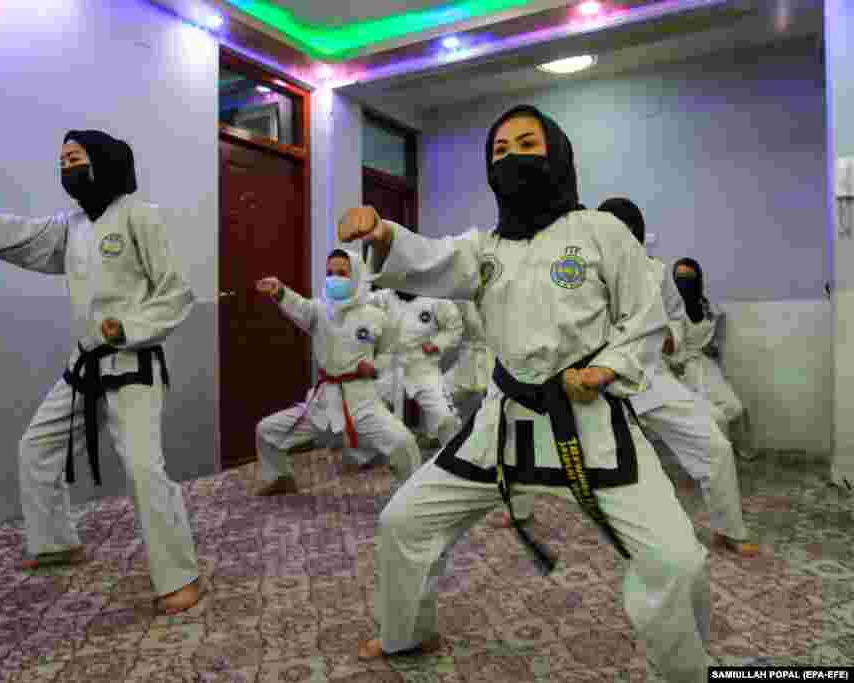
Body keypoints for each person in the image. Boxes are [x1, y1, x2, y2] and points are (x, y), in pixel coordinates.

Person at [338, 105, 712, 682]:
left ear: (556, 153)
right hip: (502, 424)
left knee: (677, 561)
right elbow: (428, 259)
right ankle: (405, 631)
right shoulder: (485, 249)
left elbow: (643, 319)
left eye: (526, 144)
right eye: (500, 151)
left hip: (589, 421)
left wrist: (606, 370)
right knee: (403, 522)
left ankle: (683, 673)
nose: (512, 157)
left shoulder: (601, 233)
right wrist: (383, 233)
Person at [0, 129, 202, 615]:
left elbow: (176, 294)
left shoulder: (141, 216)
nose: (66, 168)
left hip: (132, 364)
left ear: (105, 161)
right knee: (37, 446)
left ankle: (180, 575)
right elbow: (23, 237)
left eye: (75, 158)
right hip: (85, 363)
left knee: (143, 470)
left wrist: (128, 326)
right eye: (62, 161)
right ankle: (55, 542)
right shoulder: (70, 226)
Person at [496, 198, 758, 557]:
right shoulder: (575, 269)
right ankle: (519, 509)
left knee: (713, 444)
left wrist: (671, 339)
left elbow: (677, 319)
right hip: (588, 381)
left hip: (650, 376)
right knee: (529, 430)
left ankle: (729, 528)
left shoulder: (656, 271)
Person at [253, 248, 422, 497]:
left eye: (342, 273)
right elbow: (298, 306)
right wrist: (279, 291)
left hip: (362, 401)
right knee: (266, 431)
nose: (334, 278)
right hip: (324, 401)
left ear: (355, 276)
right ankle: (280, 477)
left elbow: (392, 352)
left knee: (403, 442)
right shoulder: (319, 311)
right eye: (330, 273)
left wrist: (374, 367)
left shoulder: (375, 316)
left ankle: (413, 495)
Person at [665, 257, 753, 459]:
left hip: (705, 366)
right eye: (679, 278)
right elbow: (662, 347)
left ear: (698, 279)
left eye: (689, 278)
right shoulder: (670, 309)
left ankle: (737, 452)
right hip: (680, 371)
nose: (684, 283)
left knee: (735, 408)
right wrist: (671, 365)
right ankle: (716, 460)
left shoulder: (707, 307)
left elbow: (714, 336)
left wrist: (713, 349)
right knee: (714, 418)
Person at [368, 289, 462, 449]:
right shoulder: (381, 298)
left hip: (422, 367)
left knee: (446, 417)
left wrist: (437, 343)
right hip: (388, 367)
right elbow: (358, 313)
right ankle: (377, 459)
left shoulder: (435, 299)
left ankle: (452, 458)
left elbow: (454, 326)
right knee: (367, 415)